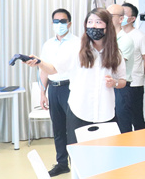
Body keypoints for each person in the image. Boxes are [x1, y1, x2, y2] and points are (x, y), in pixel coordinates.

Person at [26, 8, 126, 144]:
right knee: (78, 152)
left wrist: (114, 83)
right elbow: (53, 69)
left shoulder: (115, 53)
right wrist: (40, 62)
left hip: (106, 112)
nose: (93, 26)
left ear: (107, 26)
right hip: (80, 111)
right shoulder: (76, 49)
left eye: (98, 22)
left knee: (106, 152)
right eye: (90, 22)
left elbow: (122, 80)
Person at [39, 8, 80, 176]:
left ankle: (77, 164)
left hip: (70, 88)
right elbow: (43, 69)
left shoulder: (77, 42)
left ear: (69, 23)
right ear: (52, 23)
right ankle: (62, 163)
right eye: (56, 21)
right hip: (53, 89)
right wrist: (43, 92)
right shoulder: (48, 44)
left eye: (63, 21)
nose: (59, 24)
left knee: (73, 128)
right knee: (58, 128)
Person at [122, 2, 145, 130]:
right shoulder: (116, 35)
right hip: (118, 83)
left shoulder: (140, 37)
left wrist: (138, 75)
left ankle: (143, 142)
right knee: (121, 119)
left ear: (132, 19)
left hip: (134, 84)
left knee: (137, 119)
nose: (120, 16)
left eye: (124, 14)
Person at [107, 3, 134, 133]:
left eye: (110, 16)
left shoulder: (125, 40)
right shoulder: (105, 38)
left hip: (121, 87)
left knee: (122, 126)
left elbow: (114, 64)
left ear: (121, 19)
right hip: (108, 86)